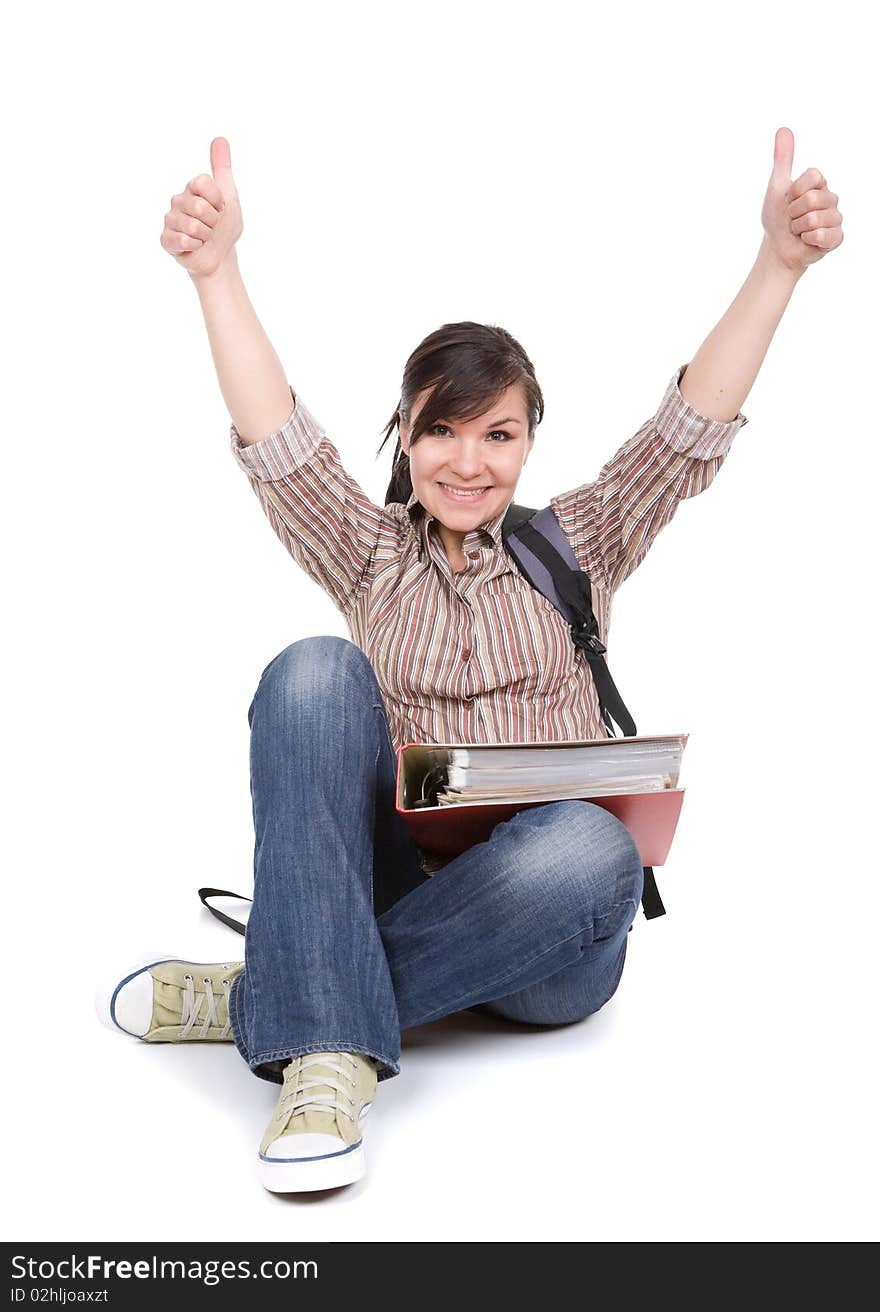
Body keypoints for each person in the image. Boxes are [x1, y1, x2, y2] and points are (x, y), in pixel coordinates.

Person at [98, 130, 839, 1195]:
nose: (466, 461)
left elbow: (688, 430)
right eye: (440, 432)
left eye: (496, 434)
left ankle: (278, 995)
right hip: (397, 879)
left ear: (528, 440)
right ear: (403, 435)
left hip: (548, 935)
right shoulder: (367, 552)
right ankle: (324, 1035)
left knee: (594, 853)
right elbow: (276, 437)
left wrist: (777, 261)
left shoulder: (578, 540)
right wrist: (217, 272)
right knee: (312, 668)